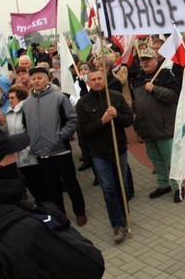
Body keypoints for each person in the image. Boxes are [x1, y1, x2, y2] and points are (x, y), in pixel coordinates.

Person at [0, 119, 104, 278]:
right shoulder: (25, 229)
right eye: (10, 153)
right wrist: (57, 223)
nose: (15, 157)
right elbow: (91, 263)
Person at [23, 66, 87, 226]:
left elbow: (72, 119)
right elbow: (25, 126)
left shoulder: (59, 97)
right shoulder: (27, 103)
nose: (36, 81)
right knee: (52, 188)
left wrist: (60, 136)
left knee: (71, 183)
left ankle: (80, 212)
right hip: (41, 154)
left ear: (47, 79)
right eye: (34, 78)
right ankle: (60, 215)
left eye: (40, 78)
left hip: (60, 151)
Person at [76, 68, 133, 243]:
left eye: (100, 78)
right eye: (93, 79)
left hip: (119, 149)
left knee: (121, 185)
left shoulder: (115, 96)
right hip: (99, 153)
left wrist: (117, 116)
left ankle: (125, 218)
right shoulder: (83, 103)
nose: (97, 81)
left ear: (105, 80)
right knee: (108, 189)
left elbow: (129, 119)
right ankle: (117, 224)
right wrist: (102, 121)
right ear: (88, 83)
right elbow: (83, 130)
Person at [133, 49, 184, 202]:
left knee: (170, 160)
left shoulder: (166, 76)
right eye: (143, 60)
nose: (145, 62)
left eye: (148, 59)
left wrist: (155, 89)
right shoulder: (137, 78)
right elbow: (138, 101)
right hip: (147, 128)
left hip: (163, 128)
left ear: (156, 60)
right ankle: (163, 185)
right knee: (155, 160)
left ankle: (178, 187)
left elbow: (174, 96)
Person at [0, 85, 48, 202]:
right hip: (19, 157)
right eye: (9, 98)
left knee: (39, 185)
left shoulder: (27, 110)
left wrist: (30, 148)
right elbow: (8, 132)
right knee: (31, 186)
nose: (9, 100)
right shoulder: (9, 113)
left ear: (20, 99)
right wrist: (3, 124)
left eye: (12, 98)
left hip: (30, 155)